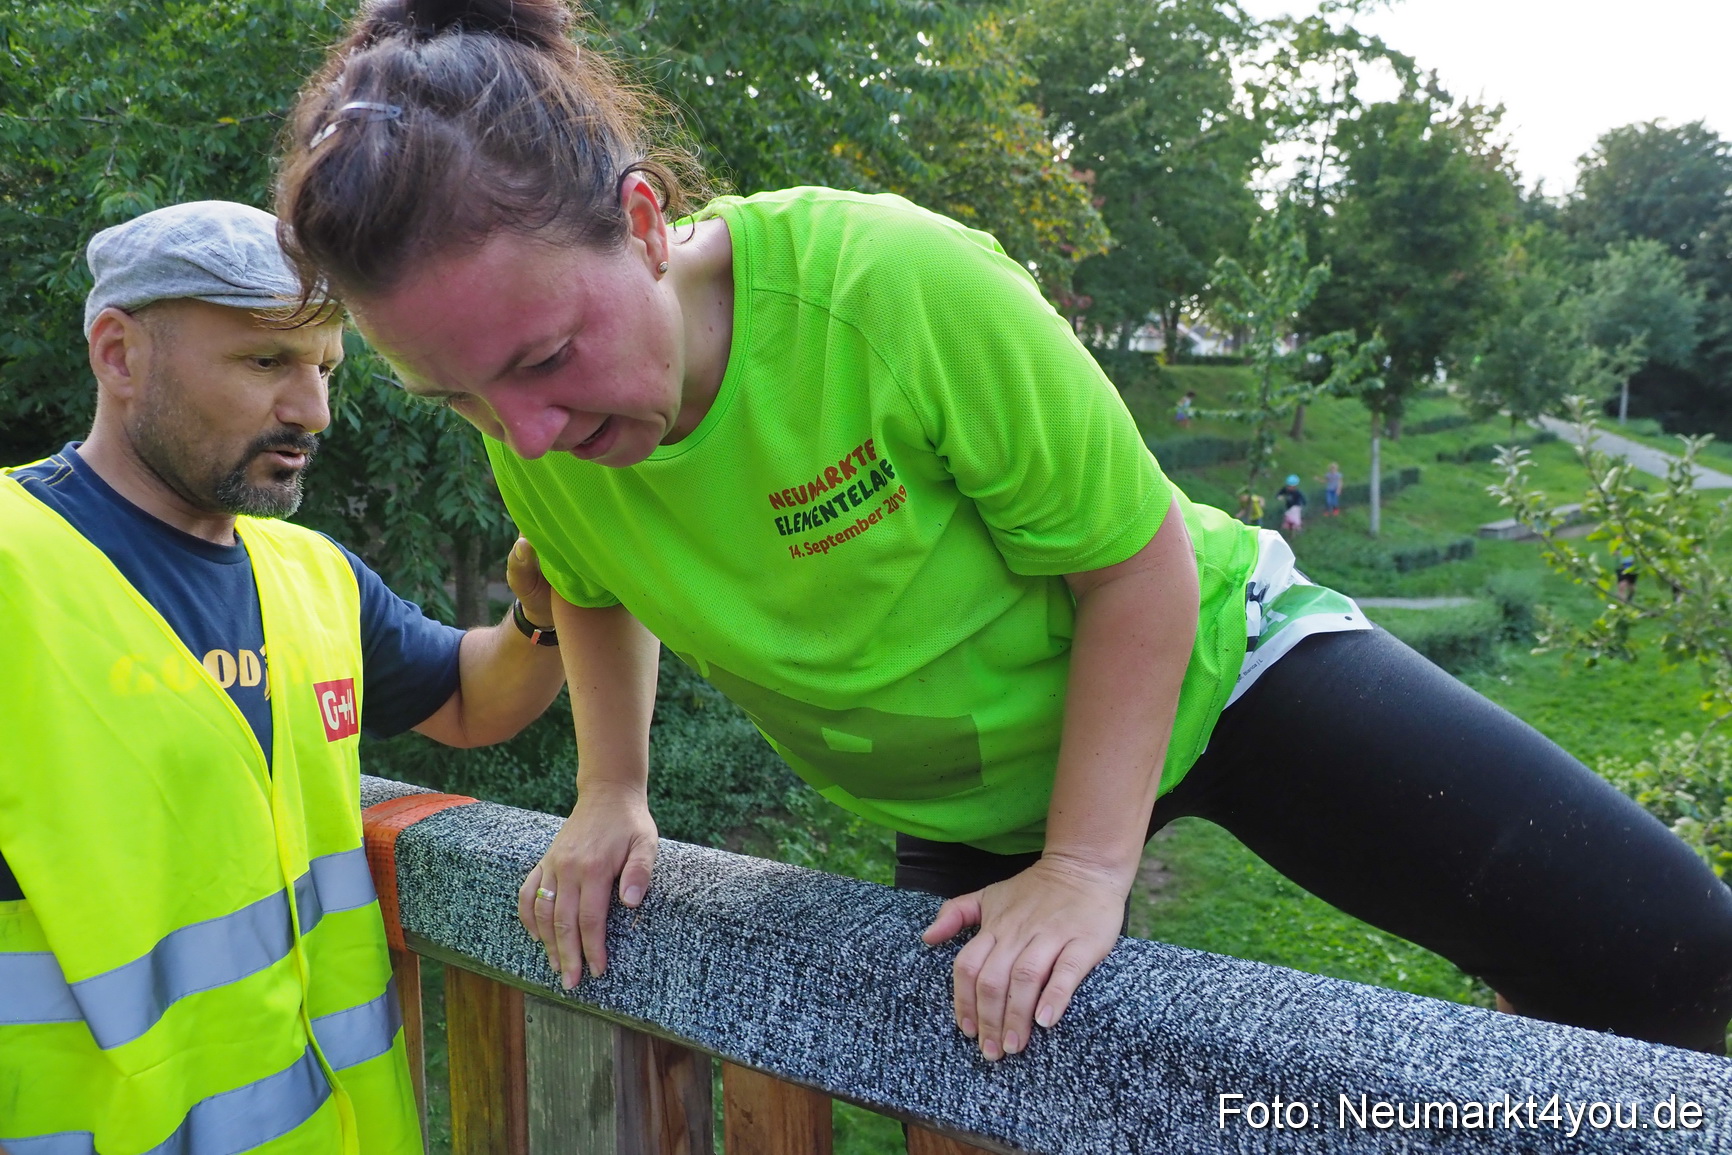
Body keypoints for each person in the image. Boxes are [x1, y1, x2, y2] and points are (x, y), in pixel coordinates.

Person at [276, 0, 1732, 1059]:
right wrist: (613, 791)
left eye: (543, 358)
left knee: (1665, 949)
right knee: (982, 1075)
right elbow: (590, 582)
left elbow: (1134, 561)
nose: (523, 431)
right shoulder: (538, 427)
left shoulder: (889, 289)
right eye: (457, 399)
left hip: (1216, 672)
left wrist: (1090, 869)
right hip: (972, 812)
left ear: (645, 222)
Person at [0, 201, 569, 1153]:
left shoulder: (312, 574)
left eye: (325, 367)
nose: (314, 411)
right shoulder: (14, 566)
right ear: (119, 355)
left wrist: (543, 613)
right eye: (267, 361)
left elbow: (473, 697)